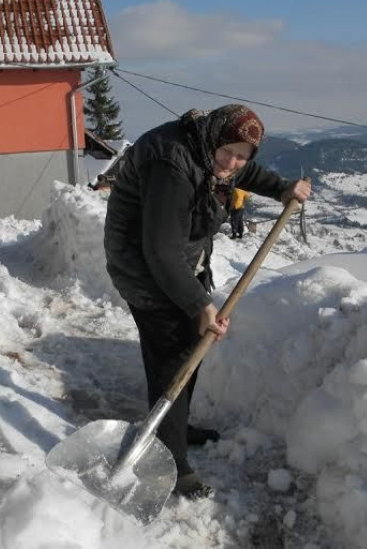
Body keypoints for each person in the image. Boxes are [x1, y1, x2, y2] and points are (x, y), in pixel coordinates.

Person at [103, 104, 311, 498]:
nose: (231, 163)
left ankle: (173, 427)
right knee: (173, 354)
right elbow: (160, 251)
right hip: (145, 268)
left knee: (187, 350)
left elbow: (242, 170)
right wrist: (199, 305)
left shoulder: (209, 149)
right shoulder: (171, 164)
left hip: (178, 263)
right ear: (212, 139)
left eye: (241, 154)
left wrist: (282, 188)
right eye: (226, 152)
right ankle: (171, 459)